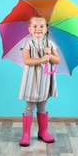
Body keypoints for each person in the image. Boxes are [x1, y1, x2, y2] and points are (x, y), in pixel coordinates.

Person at [19, 15, 60, 147]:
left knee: (42, 107)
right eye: (35, 26)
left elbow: (57, 60)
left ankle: (43, 131)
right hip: (32, 80)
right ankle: (26, 135)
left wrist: (50, 55)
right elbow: (26, 60)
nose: (38, 29)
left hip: (45, 80)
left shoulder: (50, 44)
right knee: (29, 108)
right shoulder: (28, 44)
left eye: (41, 26)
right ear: (29, 29)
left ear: (46, 28)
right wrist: (41, 59)